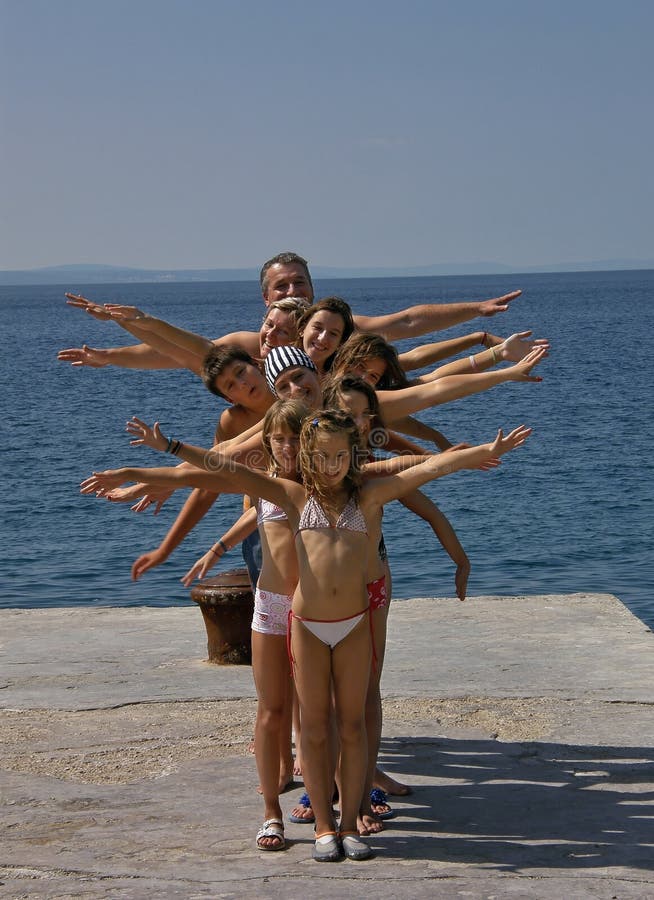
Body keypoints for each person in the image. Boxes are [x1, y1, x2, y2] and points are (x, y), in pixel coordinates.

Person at [81, 413, 532, 862]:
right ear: (309, 458)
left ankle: (350, 823)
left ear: (353, 455)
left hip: (354, 625)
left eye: (340, 456)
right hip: (307, 629)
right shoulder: (293, 496)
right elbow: (223, 470)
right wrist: (157, 456)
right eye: (322, 457)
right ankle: (322, 826)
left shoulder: (371, 496)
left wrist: (485, 452)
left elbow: (430, 468)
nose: (332, 464)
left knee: (351, 726)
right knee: (314, 729)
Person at [57, 251, 523, 371]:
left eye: (301, 282)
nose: (294, 290)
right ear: (267, 299)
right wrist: (109, 355)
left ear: (315, 290)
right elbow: (178, 352)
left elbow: (407, 322)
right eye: (283, 285)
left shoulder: (342, 331)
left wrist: (475, 310)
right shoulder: (250, 344)